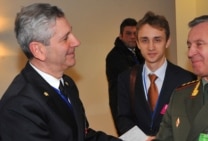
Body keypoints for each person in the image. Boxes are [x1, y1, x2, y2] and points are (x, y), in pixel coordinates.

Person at [0, 3, 121, 141]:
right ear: (38, 50)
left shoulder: (67, 84)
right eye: (65, 38)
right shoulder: (19, 107)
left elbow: (83, 135)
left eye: (71, 33)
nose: (76, 42)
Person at [116, 11, 197, 138]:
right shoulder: (126, 78)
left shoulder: (186, 79)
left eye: (157, 40)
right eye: (144, 40)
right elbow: (123, 119)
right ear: (138, 43)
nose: (151, 47)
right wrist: (144, 139)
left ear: (167, 41)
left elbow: (189, 121)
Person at [105, 18, 144, 130]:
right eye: (128, 33)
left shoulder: (140, 53)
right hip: (123, 110)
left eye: (135, 33)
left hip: (140, 108)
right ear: (121, 36)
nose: (132, 37)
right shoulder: (114, 57)